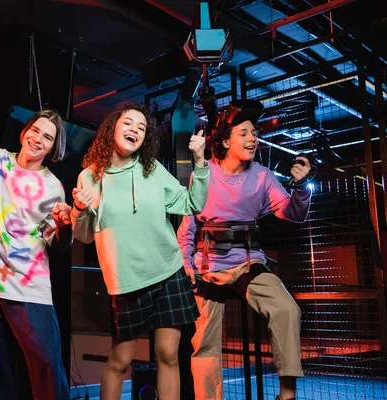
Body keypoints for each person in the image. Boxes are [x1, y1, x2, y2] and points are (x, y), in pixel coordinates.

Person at [71, 101, 210, 400]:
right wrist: (79, 209)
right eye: (128, 123)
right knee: (120, 361)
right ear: (112, 128)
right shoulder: (90, 177)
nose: (135, 130)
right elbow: (82, 236)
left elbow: (191, 204)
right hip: (127, 280)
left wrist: (200, 162)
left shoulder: (153, 170)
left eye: (142, 128)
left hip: (167, 271)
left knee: (169, 355)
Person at [176, 100, 312, 400]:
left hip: (249, 263)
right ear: (226, 140)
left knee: (286, 309)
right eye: (245, 133)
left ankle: (287, 394)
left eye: (255, 133)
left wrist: (301, 188)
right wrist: (185, 263)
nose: (253, 138)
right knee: (205, 344)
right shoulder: (204, 173)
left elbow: (293, 213)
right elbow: (187, 227)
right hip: (208, 268)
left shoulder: (262, 176)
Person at [0, 109, 72, 400]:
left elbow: (57, 245)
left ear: (53, 148)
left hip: (27, 288)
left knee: (46, 368)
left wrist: (63, 227)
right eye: (35, 130)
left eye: (48, 137)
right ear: (24, 132)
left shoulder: (52, 187)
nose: (38, 139)